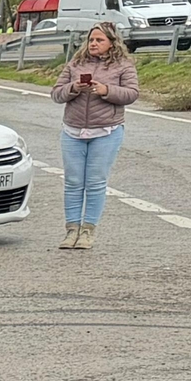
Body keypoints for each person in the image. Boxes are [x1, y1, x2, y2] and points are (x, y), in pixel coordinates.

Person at [51, 24, 138, 251]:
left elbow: (132, 94)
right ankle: (71, 231)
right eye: (91, 39)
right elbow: (56, 94)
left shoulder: (123, 66)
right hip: (73, 130)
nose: (93, 44)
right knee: (72, 182)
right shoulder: (75, 64)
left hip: (106, 131)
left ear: (112, 42)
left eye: (99, 40)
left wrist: (106, 91)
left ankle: (88, 231)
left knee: (95, 182)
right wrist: (74, 87)